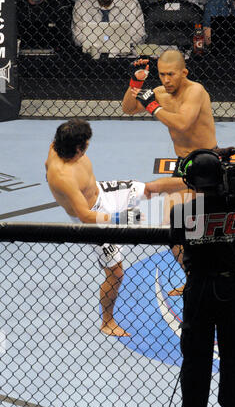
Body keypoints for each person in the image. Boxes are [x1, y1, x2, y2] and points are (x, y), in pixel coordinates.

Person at [45, 119, 187, 337]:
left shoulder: (58, 144)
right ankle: (107, 321)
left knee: (149, 189)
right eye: (87, 144)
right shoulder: (62, 176)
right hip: (94, 217)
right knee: (116, 273)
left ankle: (197, 181)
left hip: (102, 192)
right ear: (78, 148)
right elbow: (85, 215)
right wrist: (120, 218)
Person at [169, 149, 235, 407]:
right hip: (232, 287)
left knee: (195, 358)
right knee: (232, 357)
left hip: (199, 288)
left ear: (192, 182)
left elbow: (179, 248)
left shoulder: (180, 212)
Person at [122, 49, 222, 295]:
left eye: (171, 74)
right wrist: (136, 82)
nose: (166, 80)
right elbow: (128, 108)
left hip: (206, 163)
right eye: (161, 74)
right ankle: (193, 278)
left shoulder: (195, 91)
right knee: (172, 227)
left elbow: (182, 123)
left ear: (184, 72)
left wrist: (153, 107)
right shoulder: (159, 92)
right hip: (183, 164)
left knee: (209, 231)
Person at [72, 0, 146, 59]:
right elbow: (77, 37)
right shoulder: (82, 5)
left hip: (124, 57)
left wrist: (109, 47)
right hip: (91, 57)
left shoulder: (131, 3)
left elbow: (139, 35)